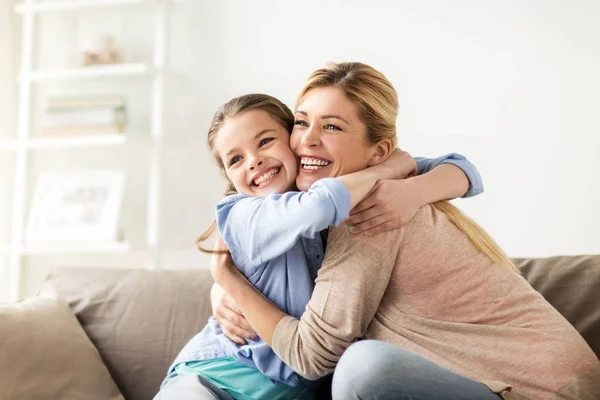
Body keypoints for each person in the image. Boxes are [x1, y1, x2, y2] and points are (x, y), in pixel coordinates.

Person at [210, 62, 600, 400]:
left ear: (378, 152)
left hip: (541, 389)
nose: (308, 140)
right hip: (498, 382)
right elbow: (449, 167)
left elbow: (310, 357)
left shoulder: (374, 212)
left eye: (331, 126)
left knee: (363, 367)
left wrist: (228, 279)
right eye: (301, 122)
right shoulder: (345, 198)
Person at [155, 90, 484, 400]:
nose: (253, 161)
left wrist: (413, 189)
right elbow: (321, 206)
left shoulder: (325, 191)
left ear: (295, 144)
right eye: (235, 159)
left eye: (266, 141)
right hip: (213, 379)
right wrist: (388, 169)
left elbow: (463, 170)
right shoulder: (243, 214)